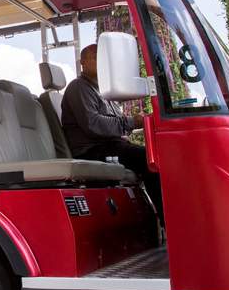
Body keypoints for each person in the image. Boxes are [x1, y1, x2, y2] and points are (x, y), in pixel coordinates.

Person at [61, 43, 160, 211]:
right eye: (95, 58)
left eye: (102, 59)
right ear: (82, 62)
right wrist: (130, 122)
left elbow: (115, 123)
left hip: (112, 146)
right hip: (93, 150)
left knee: (155, 155)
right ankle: (168, 221)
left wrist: (137, 122)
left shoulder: (104, 91)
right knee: (147, 159)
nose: (100, 63)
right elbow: (93, 124)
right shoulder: (78, 87)